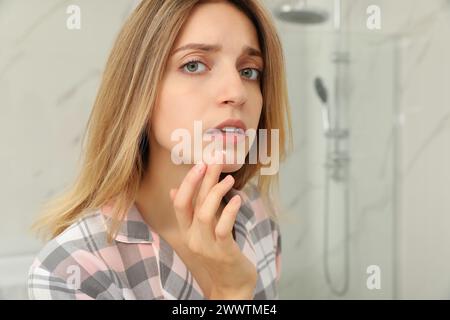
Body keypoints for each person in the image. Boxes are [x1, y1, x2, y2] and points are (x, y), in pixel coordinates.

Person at [27, 0, 293, 300]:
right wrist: (231, 293)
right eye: (194, 65)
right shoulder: (72, 271)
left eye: (249, 71)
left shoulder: (257, 216)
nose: (236, 92)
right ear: (140, 90)